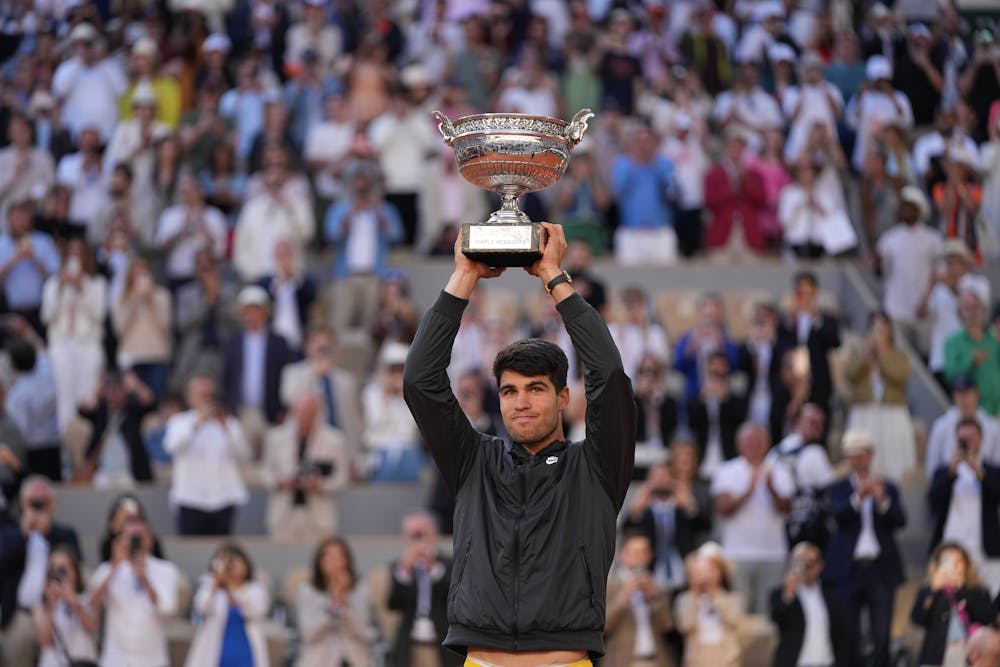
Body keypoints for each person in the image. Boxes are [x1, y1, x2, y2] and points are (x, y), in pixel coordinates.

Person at [402, 222, 636, 665]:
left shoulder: (597, 466)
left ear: (564, 398)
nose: (521, 402)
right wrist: (464, 276)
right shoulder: (474, 460)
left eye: (536, 389)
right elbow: (419, 379)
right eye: (510, 391)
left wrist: (555, 278)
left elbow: (609, 378)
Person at [823, 430, 906, 667]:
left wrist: (882, 500)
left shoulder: (887, 486)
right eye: (852, 456)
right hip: (848, 571)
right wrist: (858, 498)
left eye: (861, 455)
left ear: (870, 455)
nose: (857, 460)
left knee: (882, 634)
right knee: (848, 633)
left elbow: (900, 520)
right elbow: (836, 516)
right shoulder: (839, 487)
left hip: (880, 569)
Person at [711, 422, 794, 613]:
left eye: (758, 442)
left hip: (773, 554)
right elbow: (722, 508)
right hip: (737, 554)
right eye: (749, 442)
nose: (754, 446)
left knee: (768, 615)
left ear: (767, 444)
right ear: (740, 444)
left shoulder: (780, 471)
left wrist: (771, 487)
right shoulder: (726, 470)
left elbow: (787, 508)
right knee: (738, 614)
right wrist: (749, 489)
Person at [0, 477, 81, 667]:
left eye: (42, 502)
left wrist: (48, 532)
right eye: (32, 502)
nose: (37, 507)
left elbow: (74, 565)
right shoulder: (10, 533)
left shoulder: (64, 534)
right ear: (22, 504)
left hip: (59, 612)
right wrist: (24, 534)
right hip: (21, 614)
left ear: (52, 505)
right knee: (16, 649)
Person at [88, 515, 182, 667]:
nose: (135, 542)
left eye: (140, 536)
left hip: (152, 661)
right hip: (115, 660)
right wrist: (114, 567)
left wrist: (144, 579)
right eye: (130, 537)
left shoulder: (166, 570)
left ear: (150, 540)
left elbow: (168, 609)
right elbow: (92, 602)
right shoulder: (108, 569)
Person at [164, 374, 250, 535]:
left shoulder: (230, 423)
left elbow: (243, 454)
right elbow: (172, 446)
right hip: (190, 498)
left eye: (209, 396)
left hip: (223, 499)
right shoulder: (180, 421)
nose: (206, 400)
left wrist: (226, 429)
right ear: (189, 397)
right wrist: (197, 422)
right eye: (201, 395)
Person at [259, 393, 350, 541]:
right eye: (301, 413)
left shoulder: (334, 440)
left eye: (309, 414)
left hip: (318, 518)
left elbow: (341, 479)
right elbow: (264, 472)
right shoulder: (276, 437)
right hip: (284, 516)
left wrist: (319, 484)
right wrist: (280, 481)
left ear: (317, 413)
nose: (304, 418)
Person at [621, 447, 712, 590]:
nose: (661, 481)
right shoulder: (643, 508)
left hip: (681, 566)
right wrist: (637, 508)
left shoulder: (682, 505)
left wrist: (690, 506)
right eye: (656, 477)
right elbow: (627, 531)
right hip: (651, 567)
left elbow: (704, 528)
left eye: (665, 476)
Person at [220, 286, 296, 454]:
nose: (252, 315)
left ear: (265, 312)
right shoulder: (233, 341)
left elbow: (286, 376)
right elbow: (227, 376)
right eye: (247, 311)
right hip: (242, 412)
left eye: (256, 310)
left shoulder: (279, 342)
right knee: (245, 458)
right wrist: (228, 407)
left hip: (271, 412)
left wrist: (282, 409)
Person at [928, 418, 1000, 594]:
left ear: (981, 439)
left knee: (991, 598)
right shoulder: (944, 472)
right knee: (950, 597)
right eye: (963, 439)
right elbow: (933, 500)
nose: (968, 443)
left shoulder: (991, 471)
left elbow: (996, 493)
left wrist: (978, 472)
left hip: (985, 549)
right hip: (952, 546)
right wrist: (952, 472)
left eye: (971, 438)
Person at [844, 312, 916, 483]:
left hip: (891, 412)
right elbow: (850, 375)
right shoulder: (860, 352)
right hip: (865, 412)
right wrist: (866, 354)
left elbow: (901, 376)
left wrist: (882, 354)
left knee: (891, 455)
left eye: (882, 328)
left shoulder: (899, 356)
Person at [280, 327, 365, 463]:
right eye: (316, 342)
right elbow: (292, 402)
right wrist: (314, 374)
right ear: (307, 346)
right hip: (309, 447)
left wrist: (355, 456)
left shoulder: (346, 381)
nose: (322, 346)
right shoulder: (292, 374)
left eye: (326, 343)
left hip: (339, 448)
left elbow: (353, 421)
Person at [386, 511, 459, 667]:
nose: (418, 539)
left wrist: (432, 566)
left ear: (434, 534)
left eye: (422, 533)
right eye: (413, 535)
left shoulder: (450, 564)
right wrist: (404, 570)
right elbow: (393, 604)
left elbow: (454, 597)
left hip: (442, 646)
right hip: (411, 645)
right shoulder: (399, 567)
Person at [295, 537, 376, 667]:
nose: (334, 563)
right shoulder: (307, 591)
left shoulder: (360, 590)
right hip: (318, 660)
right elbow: (309, 635)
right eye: (328, 557)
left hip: (354, 659)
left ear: (347, 561)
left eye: (338, 557)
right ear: (320, 562)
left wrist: (344, 604)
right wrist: (333, 605)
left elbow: (362, 632)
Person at [185, 544, 270, 667]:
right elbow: (201, 607)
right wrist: (215, 583)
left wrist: (230, 584)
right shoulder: (209, 584)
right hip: (215, 652)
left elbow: (256, 611)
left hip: (245, 652)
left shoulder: (255, 589)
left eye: (235, 562)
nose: (231, 567)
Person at [910, 543, 995, 667]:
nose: (953, 566)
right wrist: (932, 591)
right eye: (948, 561)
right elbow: (917, 618)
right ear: (938, 565)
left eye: (958, 561)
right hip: (936, 655)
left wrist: (962, 591)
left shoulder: (978, 590)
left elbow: (987, 617)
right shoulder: (929, 591)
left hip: (968, 652)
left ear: (966, 564)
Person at [768, 404, 836, 549]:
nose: (819, 428)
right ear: (796, 422)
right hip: (806, 524)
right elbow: (829, 487)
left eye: (821, 424)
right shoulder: (815, 452)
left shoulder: (775, 452)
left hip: (780, 526)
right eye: (813, 422)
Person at [769, 542, 847, 667]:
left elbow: (841, 636)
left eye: (810, 562)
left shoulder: (832, 597)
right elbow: (776, 618)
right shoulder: (780, 594)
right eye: (800, 561)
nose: (806, 567)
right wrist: (789, 593)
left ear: (820, 565)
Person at [603, 533, 674, 667]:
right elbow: (604, 627)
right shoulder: (609, 585)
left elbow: (668, 625)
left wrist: (654, 598)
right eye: (634, 552)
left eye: (643, 552)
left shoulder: (658, 585)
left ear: (650, 556)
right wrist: (623, 600)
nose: (639, 557)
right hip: (621, 660)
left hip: (655, 660)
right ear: (621, 554)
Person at [674, 543, 744, 667]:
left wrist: (713, 595)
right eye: (700, 571)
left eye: (711, 570)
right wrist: (696, 594)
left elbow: (735, 621)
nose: (705, 575)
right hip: (697, 657)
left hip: (725, 656)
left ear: (721, 573)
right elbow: (685, 626)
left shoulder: (731, 597)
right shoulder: (685, 599)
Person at [0, 200, 60, 337]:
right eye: (17, 219)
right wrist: (13, 261)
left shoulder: (43, 242)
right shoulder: (1, 245)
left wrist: (35, 260)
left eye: (24, 219)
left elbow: (55, 277)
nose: (21, 223)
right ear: (9, 221)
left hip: (40, 310)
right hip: (10, 312)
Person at [32, 546, 98, 667]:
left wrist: (74, 601)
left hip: (83, 662)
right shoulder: (42, 603)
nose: (64, 575)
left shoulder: (87, 598)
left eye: (67, 569)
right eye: (58, 570)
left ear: (75, 571)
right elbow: (44, 640)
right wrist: (52, 605)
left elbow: (92, 627)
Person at [925, 376, 1000, 476]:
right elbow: (932, 467)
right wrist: (951, 469)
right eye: (959, 394)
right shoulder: (941, 426)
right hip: (951, 484)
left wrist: (979, 472)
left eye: (967, 394)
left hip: (985, 484)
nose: (964, 399)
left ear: (976, 394)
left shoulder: (992, 427)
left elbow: (997, 464)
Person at [944, 290, 1000, 416]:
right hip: (973, 414)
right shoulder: (952, 342)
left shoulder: (994, 340)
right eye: (967, 308)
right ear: (961, 312)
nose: (972, 312)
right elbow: (950, 374)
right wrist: (971, 361)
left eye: (975, 307)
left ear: (983, 310)